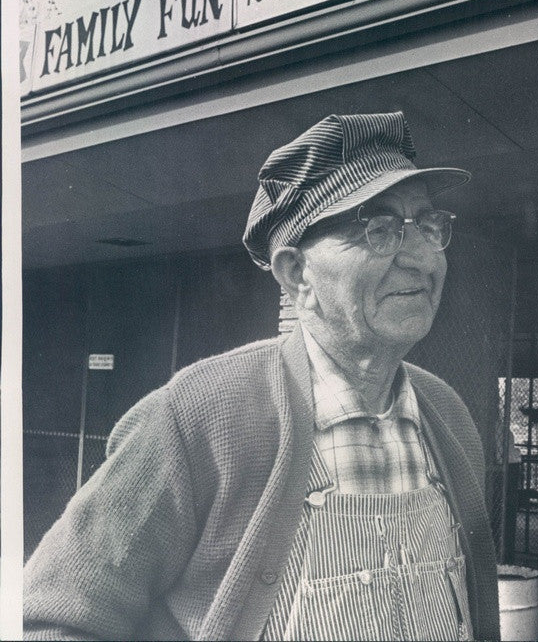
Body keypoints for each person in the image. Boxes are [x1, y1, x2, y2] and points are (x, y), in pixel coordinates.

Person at [24, 111, 501, 641]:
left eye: (428, 225)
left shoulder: (448, 415)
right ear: (297, 273)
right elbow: (51, 618)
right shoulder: (200, 415)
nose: (421, 257)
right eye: (379, 229)